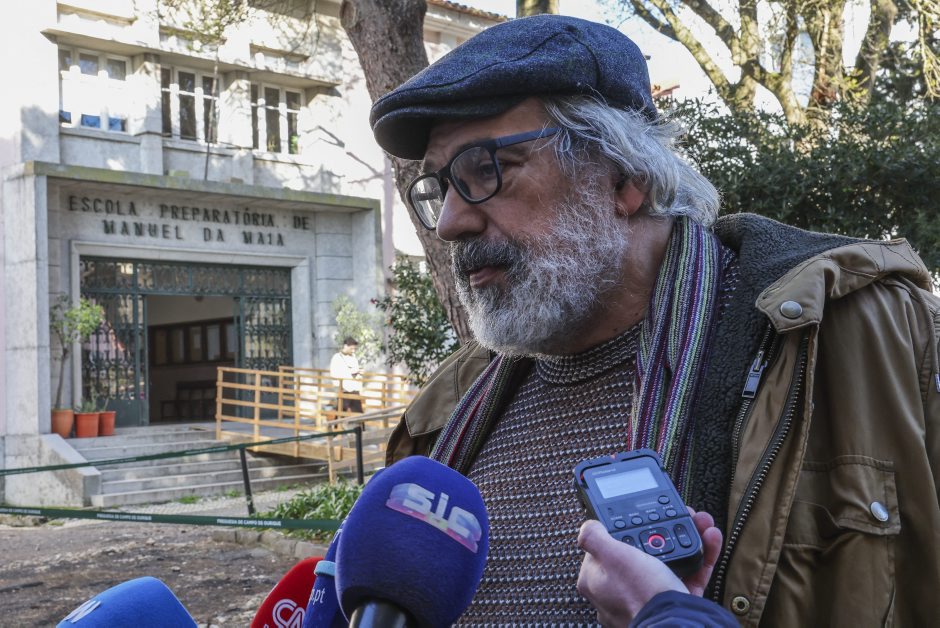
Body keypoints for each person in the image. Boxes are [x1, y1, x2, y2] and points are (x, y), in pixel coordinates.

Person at [369, 14, 940, 626]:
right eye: (439, 188)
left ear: (625, 177)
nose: (450, 222)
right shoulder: (452, 402)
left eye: (486, 169)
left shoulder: (863, 335)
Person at [329, 337, 363, 414]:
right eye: (351, 349)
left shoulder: (353, 357)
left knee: (358, 412)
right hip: (343, 388)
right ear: (345, 346)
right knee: (341, 411)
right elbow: (334, 373)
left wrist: (359, 373)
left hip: (354, 388)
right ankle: (338, 422)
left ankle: (359, 423)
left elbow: (356, 370)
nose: (353, 351)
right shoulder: (337, 357)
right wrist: (350, 372)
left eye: (354, 349)